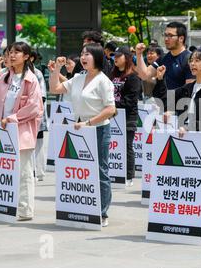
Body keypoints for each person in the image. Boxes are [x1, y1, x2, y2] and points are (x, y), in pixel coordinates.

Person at [153, 50, 201, 240]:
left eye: (198, 61)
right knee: (185, 188)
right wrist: (160, 80)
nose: (193, 64)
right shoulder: (188, 88)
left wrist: (189, 126)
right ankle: (184, 223)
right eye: (191, 61)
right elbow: (163, 101)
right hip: (184, 145)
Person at [49, 43, 116, 227]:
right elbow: (55, 89)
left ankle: (102, 212)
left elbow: (111, 109)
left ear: (98, 57)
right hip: (80, 128)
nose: (84, 57)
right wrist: (56, 69)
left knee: (101, 171)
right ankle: (84, 206)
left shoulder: (104, 81)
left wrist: (88, 122)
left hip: (98, 128)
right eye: (82, 54)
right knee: (82, 170)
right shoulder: (78, 78)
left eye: (88, 54)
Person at [0, 41, 44, 221]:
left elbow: (35, 107)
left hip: (20, 132)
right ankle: (4, 205)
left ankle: (24, 209)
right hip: (1, 131)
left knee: (24, 172)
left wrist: (12, 119)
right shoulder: (4, 76)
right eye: (10, 52)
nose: (12, 55)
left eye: (17, 52)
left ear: (27, 57)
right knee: (2, 170)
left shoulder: (31, 79)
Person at [110, 47, 142, 187]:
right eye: (114, 55)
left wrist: (111, 104)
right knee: (114, 146)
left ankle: (129, 175)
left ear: (127, 57)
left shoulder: (133, 77)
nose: (115, 58)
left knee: (127, 145)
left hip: (128, 117)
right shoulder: (112, 75)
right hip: (112, 116)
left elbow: (131, 100)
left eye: (119, 55)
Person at [135, 22, 194, 90]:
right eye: (165, 35)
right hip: (165, 99)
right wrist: (139, 54)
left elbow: (189, 91)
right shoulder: (164, 58)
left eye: (170, 36)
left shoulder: (190, 59)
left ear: (181, 38)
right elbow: (144, 75)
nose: (166, 39)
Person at [29, 50, 48, 182]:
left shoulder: (37, 73)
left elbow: (42, 96)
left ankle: (39, 172)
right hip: (24, 115)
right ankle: (31, 170)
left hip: (36, 114)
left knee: (38, 143)